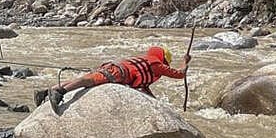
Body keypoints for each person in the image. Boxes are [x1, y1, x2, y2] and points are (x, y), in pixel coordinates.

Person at [39, 46, 190, 112]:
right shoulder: (156, 64)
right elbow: (179, 74)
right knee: (88, 81)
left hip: (115, 68)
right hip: (118, 73)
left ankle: (47, 91)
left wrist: (155, 103)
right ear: (163, 59)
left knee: (86, 78)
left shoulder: (147, 62)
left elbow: (143, 86)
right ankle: (60, 92)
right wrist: (185, 62)